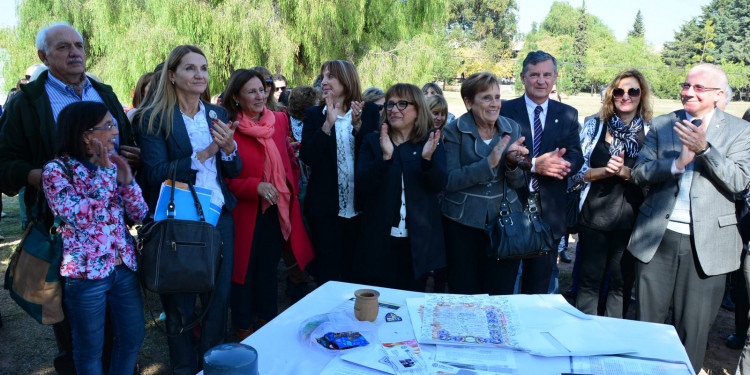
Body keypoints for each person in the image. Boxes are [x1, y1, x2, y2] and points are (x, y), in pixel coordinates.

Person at [0, 22, 140, 374]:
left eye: (78, 45)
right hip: (64, 236)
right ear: (43, 56)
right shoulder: (28, 102)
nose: (75, 52)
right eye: (63, 47)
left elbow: (124, 144)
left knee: (123, 330)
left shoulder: (103, 92)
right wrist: (40, 177)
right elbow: (5, 160)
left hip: (113, 239)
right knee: (79, 335)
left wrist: (128, 159)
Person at [628, 63, 750, 373]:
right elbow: (640, 173)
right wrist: (677, 163)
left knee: (692, 334)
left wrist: (705, 150)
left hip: (708, 247)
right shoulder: (663, 125)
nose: (688, 92)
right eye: (686, 85)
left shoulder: (740, 130)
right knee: (646, 328)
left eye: (698, 88)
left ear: (718, 94)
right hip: (657, 239)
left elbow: (739, 181)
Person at [135, 45, 241, 374]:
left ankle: (212, 364)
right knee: (179, 301)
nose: (200, 75)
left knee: (217, 297)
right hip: (178, 220)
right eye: (191, 68)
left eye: (204, 69)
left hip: (218, 218)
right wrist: (206, 153)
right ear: (172, 76)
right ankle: (183, 367)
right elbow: (153, 174)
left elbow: (233, 170)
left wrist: (228, 150)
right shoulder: (153, 118)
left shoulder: (217, 114)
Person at [42, 101, 147, 375]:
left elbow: (139, 213)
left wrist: (127, 183)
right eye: (109, 126)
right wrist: (104, 175)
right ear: (86, 134)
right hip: (85, 276)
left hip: (123, 268)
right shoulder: (56, 171)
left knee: (133, 337)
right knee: (89, 350)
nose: (115, 132)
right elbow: (80, 216)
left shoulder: (113, 164)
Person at [221, 69, 314, 340]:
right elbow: (223, 179)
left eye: (262, 89)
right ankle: (243, 329)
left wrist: (290, 189)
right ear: (236, 97)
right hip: (244, 213)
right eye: (251, 91)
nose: (260, 95)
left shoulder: (279, 121)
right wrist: (255, 187)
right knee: (243, 272)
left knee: (268, 270)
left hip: (277, 209)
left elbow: (289, 158)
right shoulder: (228, 127)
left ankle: (267, 328)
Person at [500, 50, 584, 295]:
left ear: (555, 77)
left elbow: (576, 156)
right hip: (509, 209)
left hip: (549, 212)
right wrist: (536, 164)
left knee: (538, 288)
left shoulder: (567, 114)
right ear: (522, 77)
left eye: (547, 75)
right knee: (504, 286)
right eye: (534, 74)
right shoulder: (505, 110)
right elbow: (499, 154)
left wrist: (561, 165)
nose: (541, 80)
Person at [570, 69, 652, 318]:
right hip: (594, 216)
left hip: (632, 219)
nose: (625, 96)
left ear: (642, 95)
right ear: (611, 95)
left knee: (621, 284)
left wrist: (628, 173)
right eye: (619, 91)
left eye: (633, 91)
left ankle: (613, 336)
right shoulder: (594, 125)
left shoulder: (650, 131)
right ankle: (585, 334)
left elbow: (655, 178)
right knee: (589, 281)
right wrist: (603, 171)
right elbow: (575, 172)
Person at [441, 72, 529, 295]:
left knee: (501, 291)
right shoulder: (454, 130)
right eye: (486, 98)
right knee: (464, 290)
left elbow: (518, 183)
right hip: (462, 223)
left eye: (497, 97)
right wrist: (488, 163)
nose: (494, 104)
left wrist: (511, 165)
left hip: (506, 223)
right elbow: (449, 180)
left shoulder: (512, 128)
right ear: (469, 102)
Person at [355, 83, 446, 290]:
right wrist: (385, 158)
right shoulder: (372, 141)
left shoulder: (430, 142)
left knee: (411, 306)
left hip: (418, 246)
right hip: (380, 243)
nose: (394, 110)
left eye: (402, 104)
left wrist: (427, 161)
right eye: (390, 104)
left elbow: (439, 184)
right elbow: (362, 186)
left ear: (418, 109)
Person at [299, 60, 380, 284]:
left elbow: (377, 155)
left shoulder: (369, 111)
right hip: (325, 209)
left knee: (357, 272)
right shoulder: (315, 115)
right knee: (328, 273)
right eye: (323, 76)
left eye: (330, 77)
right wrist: (327, 125)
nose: (324, 81)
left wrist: (358, 127)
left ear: (347, 79)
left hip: (361, 208)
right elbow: (307, 156)